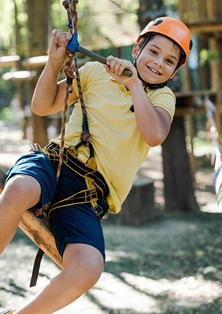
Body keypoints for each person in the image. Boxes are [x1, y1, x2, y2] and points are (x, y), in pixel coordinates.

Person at [0, 16, 192, 314]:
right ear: (137, 47)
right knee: (18, 189)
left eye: (169, 61)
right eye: (153, 52)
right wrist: (54, 62)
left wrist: (133, 85)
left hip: (87, 195)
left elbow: (154, 134)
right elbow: (42, 106)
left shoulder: (161, 97)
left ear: (176, 70)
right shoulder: (93, 71)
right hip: (58, 164)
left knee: (89, 269)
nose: (158, 63)